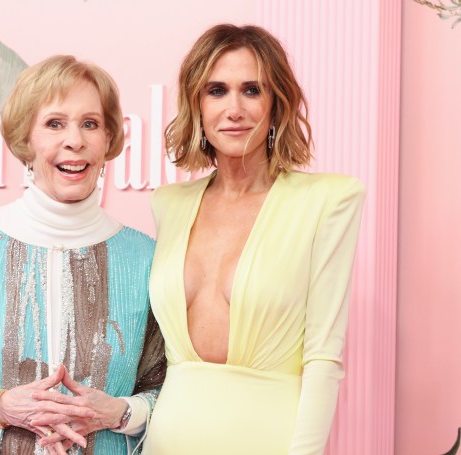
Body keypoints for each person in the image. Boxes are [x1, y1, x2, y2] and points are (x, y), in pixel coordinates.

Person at [0, 55, 166, 455]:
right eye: (54, 124)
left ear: (109, 139)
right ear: (26, 140)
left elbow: (172, 390)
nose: (74, 140)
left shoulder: (145, 257)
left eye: (90, 124)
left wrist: (120, 413)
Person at [143, 24, 365, 455]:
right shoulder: (168, 204)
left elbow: (323, 358)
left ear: (277, 105)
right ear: (197, 104)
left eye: (251, 90)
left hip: (270, 441)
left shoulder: (330, 200)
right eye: (216, 91)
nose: (234, 109)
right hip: (167, 441)